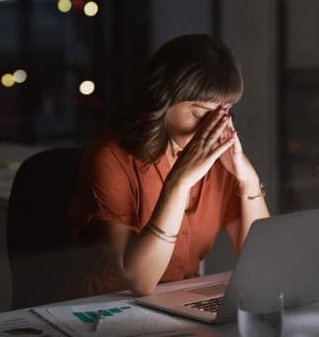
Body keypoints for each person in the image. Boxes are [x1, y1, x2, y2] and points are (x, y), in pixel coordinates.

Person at [66, 34, 270, 297]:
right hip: (103, 309)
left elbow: (263, 262)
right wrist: (180, 182)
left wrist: (248, 179)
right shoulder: (111, 158)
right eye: (200, 113)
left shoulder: (221, 164)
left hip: (177, 303)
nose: (214, 126)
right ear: (163, 99)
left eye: (224, 112)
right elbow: (139, 281)